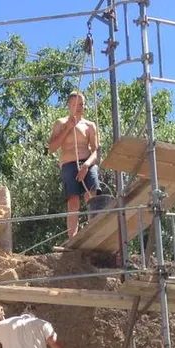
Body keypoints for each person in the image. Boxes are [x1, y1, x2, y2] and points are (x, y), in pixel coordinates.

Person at [48, 90, 100, 238]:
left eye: (82, 104)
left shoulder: (90, 126)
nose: (79, 107)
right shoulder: (61, 123)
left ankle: (94, 233)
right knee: (73, 201)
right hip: (69, 163)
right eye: (76, 104)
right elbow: (51, 148)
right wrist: (68, 128)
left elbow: (96, 151)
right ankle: (73, 237)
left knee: (92, 196)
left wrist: (86, 165)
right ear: (69, 105)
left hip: (87, 162)